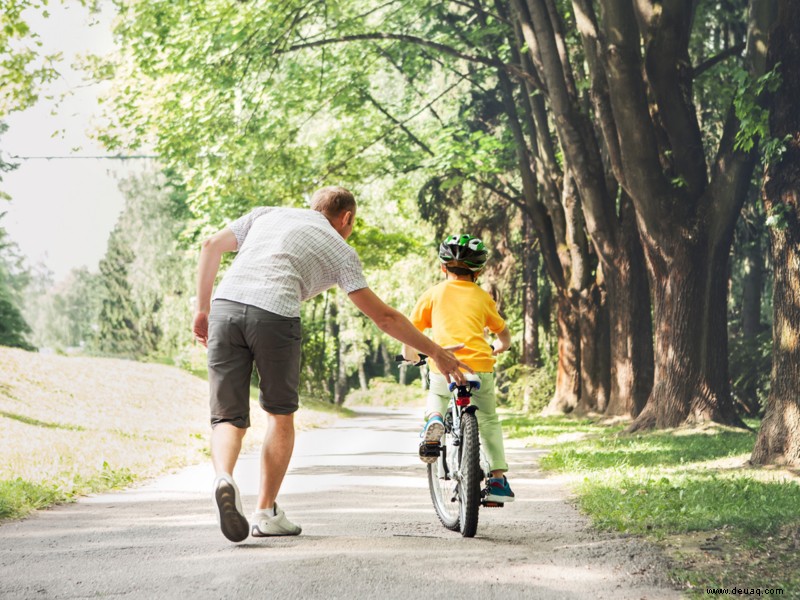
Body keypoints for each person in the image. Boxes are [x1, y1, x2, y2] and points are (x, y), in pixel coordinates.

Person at [192, 186, 472, 543]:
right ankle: (265, 511)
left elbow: (210, 246)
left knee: (227, 417)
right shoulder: (340, 248)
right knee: (279, 414)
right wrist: (436, 350)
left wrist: (202, 309)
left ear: (314, 207)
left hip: (226, 306)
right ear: (347, 218)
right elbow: (384, 318)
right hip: (275, 315)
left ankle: (224, 478)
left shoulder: (267, 213)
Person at [402, 234, 515, 503]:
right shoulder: (483, 297)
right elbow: (503, 332)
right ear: (478, 271)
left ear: (443, 267)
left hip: (444, 365)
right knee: (487, 418)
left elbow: (411, 331)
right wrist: (501, 346)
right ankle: (498, 480)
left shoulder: (432, 294)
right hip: (479, 368)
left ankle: (435, 420)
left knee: (438, 395)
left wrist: (411, 356)